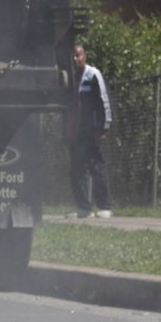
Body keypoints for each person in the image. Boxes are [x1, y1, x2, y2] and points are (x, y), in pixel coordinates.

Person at [68, 39, 113, 218]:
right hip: (76, 132)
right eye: (72, 56)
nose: (74, 59)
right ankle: (84, 208)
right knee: (76, 169)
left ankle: (105, 206)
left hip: (92, 131)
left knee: (96, 166)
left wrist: (103, 127)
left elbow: (104, 102)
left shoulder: (93, 75)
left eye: (78, 56)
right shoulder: (71, 78)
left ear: (84, 56)